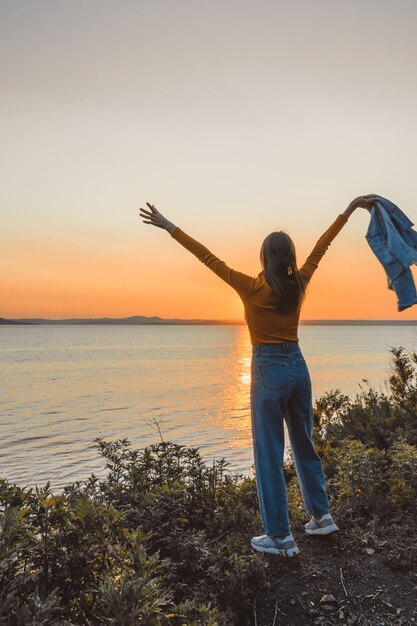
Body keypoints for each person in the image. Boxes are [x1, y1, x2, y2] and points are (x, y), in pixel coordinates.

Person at [138, 194, 377, 557]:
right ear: (290, 259)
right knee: (303, 444)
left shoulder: (250, 287)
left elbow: (207, 258)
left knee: (269, 452)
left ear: (264, 258)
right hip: (298, 365)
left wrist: (169, 226)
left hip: (268, 367)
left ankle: (279, 537)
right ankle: (321, 516)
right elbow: (321, 248)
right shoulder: (299, 283)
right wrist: (349, 210)